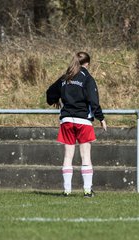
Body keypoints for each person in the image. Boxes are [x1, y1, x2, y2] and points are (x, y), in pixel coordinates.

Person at [46, 51, 107, 197]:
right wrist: (101, 118)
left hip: (66, 120)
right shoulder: (87, 78)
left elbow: (50, 93)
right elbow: (93, 100)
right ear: (87, 64)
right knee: (85, 156)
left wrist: (54, 100)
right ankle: (87, 190)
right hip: (83, 121)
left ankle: (67, 190)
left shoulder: (65, 77)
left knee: (68, 156)